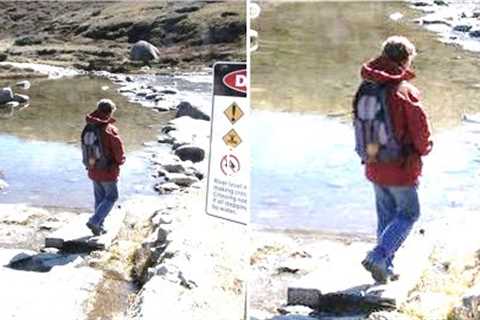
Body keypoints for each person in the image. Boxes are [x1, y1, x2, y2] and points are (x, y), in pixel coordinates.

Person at [356, 36, 433, 283]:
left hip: (373, 162)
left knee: (386, 216)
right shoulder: (404, 91)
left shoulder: (366, 86)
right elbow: (421, 131)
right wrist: (426, 148)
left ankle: (385, 268)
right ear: (405, 59)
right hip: (401, 167)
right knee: (410, 214)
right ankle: (379, 256)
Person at [83, 98, 125, 236]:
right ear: (110, 112)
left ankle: (98, 227)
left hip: (93, 168)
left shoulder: (89, 127)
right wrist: (121, 161)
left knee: (100, 198)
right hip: (108, 170)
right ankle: (95, 221)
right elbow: (118, 150)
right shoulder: (109, 129)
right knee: (112, 197)